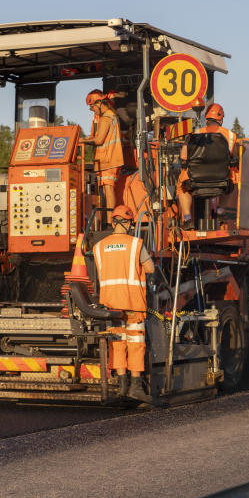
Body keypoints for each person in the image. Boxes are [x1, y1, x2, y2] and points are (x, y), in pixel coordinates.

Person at [92, 205, 156, 402]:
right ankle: (136, 386)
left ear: (112, 223)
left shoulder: (98, 247)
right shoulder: (136, 244)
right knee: (136, 343)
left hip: (111, 305)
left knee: (117, 343)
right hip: (132, 302)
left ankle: (122, 386)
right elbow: (151, 269)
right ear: (128, 224)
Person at [176, 103, 237, 229]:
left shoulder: (194, 134)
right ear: (221, 118)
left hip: (195, 180)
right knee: (234, 175)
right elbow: (235, 157)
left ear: (206, 118)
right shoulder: (230, 136)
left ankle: (187, 219)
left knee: (182, 184)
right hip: (220, 179)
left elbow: (183, 157)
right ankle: (220, 211)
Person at [82, 89, 124, 211]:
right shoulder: (109, 115)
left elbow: (99, 140)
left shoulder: (107, 117)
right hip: (107, 158)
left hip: (109, 158)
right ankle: (110, 221)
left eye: (92, 106)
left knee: (108, 189)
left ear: (99, 103)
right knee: (106, 190)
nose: (92, 110)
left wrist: (81, 141)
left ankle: (111, 222)